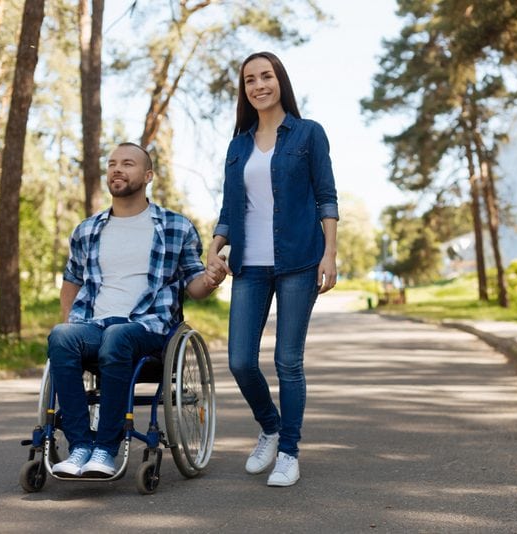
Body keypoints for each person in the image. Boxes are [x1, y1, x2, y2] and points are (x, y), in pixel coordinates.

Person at [49, 142, 225, 478]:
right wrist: (70, 322)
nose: (117, 169)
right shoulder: (87, 230)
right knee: (61, 336)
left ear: (147, 176)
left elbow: (194, 285)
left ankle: (104, 450)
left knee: (118, 336)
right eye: (112, 163)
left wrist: (212, 278)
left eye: (127, 164)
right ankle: (80, 447)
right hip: (94, 325)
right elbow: (71, 280)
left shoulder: (176, 226)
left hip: (148, 329)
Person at [206, 51, 339, 487]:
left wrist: (330, 252)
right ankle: (270, 426)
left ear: (280, 80)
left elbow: (326, 197)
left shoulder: (307, 134)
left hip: (299, 259)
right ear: (244, 90)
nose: (259, 85)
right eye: (250, 80)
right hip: (249, 263)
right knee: (240, 360)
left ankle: (289, 451)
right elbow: (230, 206)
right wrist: (215, 248)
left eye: (266, 76)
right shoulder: (238, 145)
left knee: (288, 361)